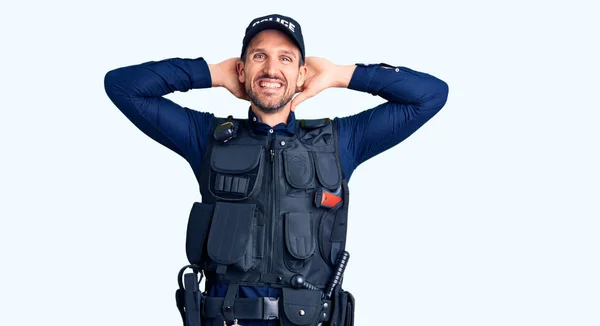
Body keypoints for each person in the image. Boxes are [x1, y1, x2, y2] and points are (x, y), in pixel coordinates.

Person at [104, 13, 449, 326]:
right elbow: (122, 86)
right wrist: (211, 73)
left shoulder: (340, 141)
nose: (271, 69)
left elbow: (430, 95)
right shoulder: (205, 138)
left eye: (286, 59)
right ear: (242, 70)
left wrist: (342, 75)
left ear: (301, 74)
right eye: (259, 57)